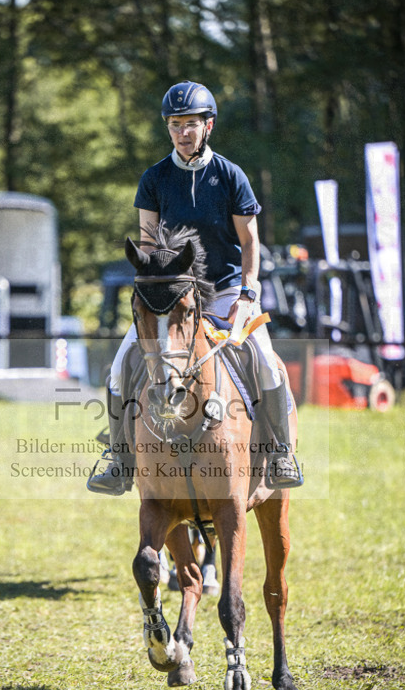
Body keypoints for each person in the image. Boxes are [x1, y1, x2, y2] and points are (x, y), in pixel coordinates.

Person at [87, 80, 303, 495]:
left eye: (191, 124)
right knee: (119, 366)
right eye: (174, 125)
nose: (182, 133)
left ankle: (280, 452)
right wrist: (150, 296)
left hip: (223, 290)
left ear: (209, 126)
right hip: (171, 297)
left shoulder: (231, 176)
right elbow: (148, 245)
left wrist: (248, 294)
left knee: (266, 361)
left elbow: (251, 243)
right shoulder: (154, 179)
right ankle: (119, 457)